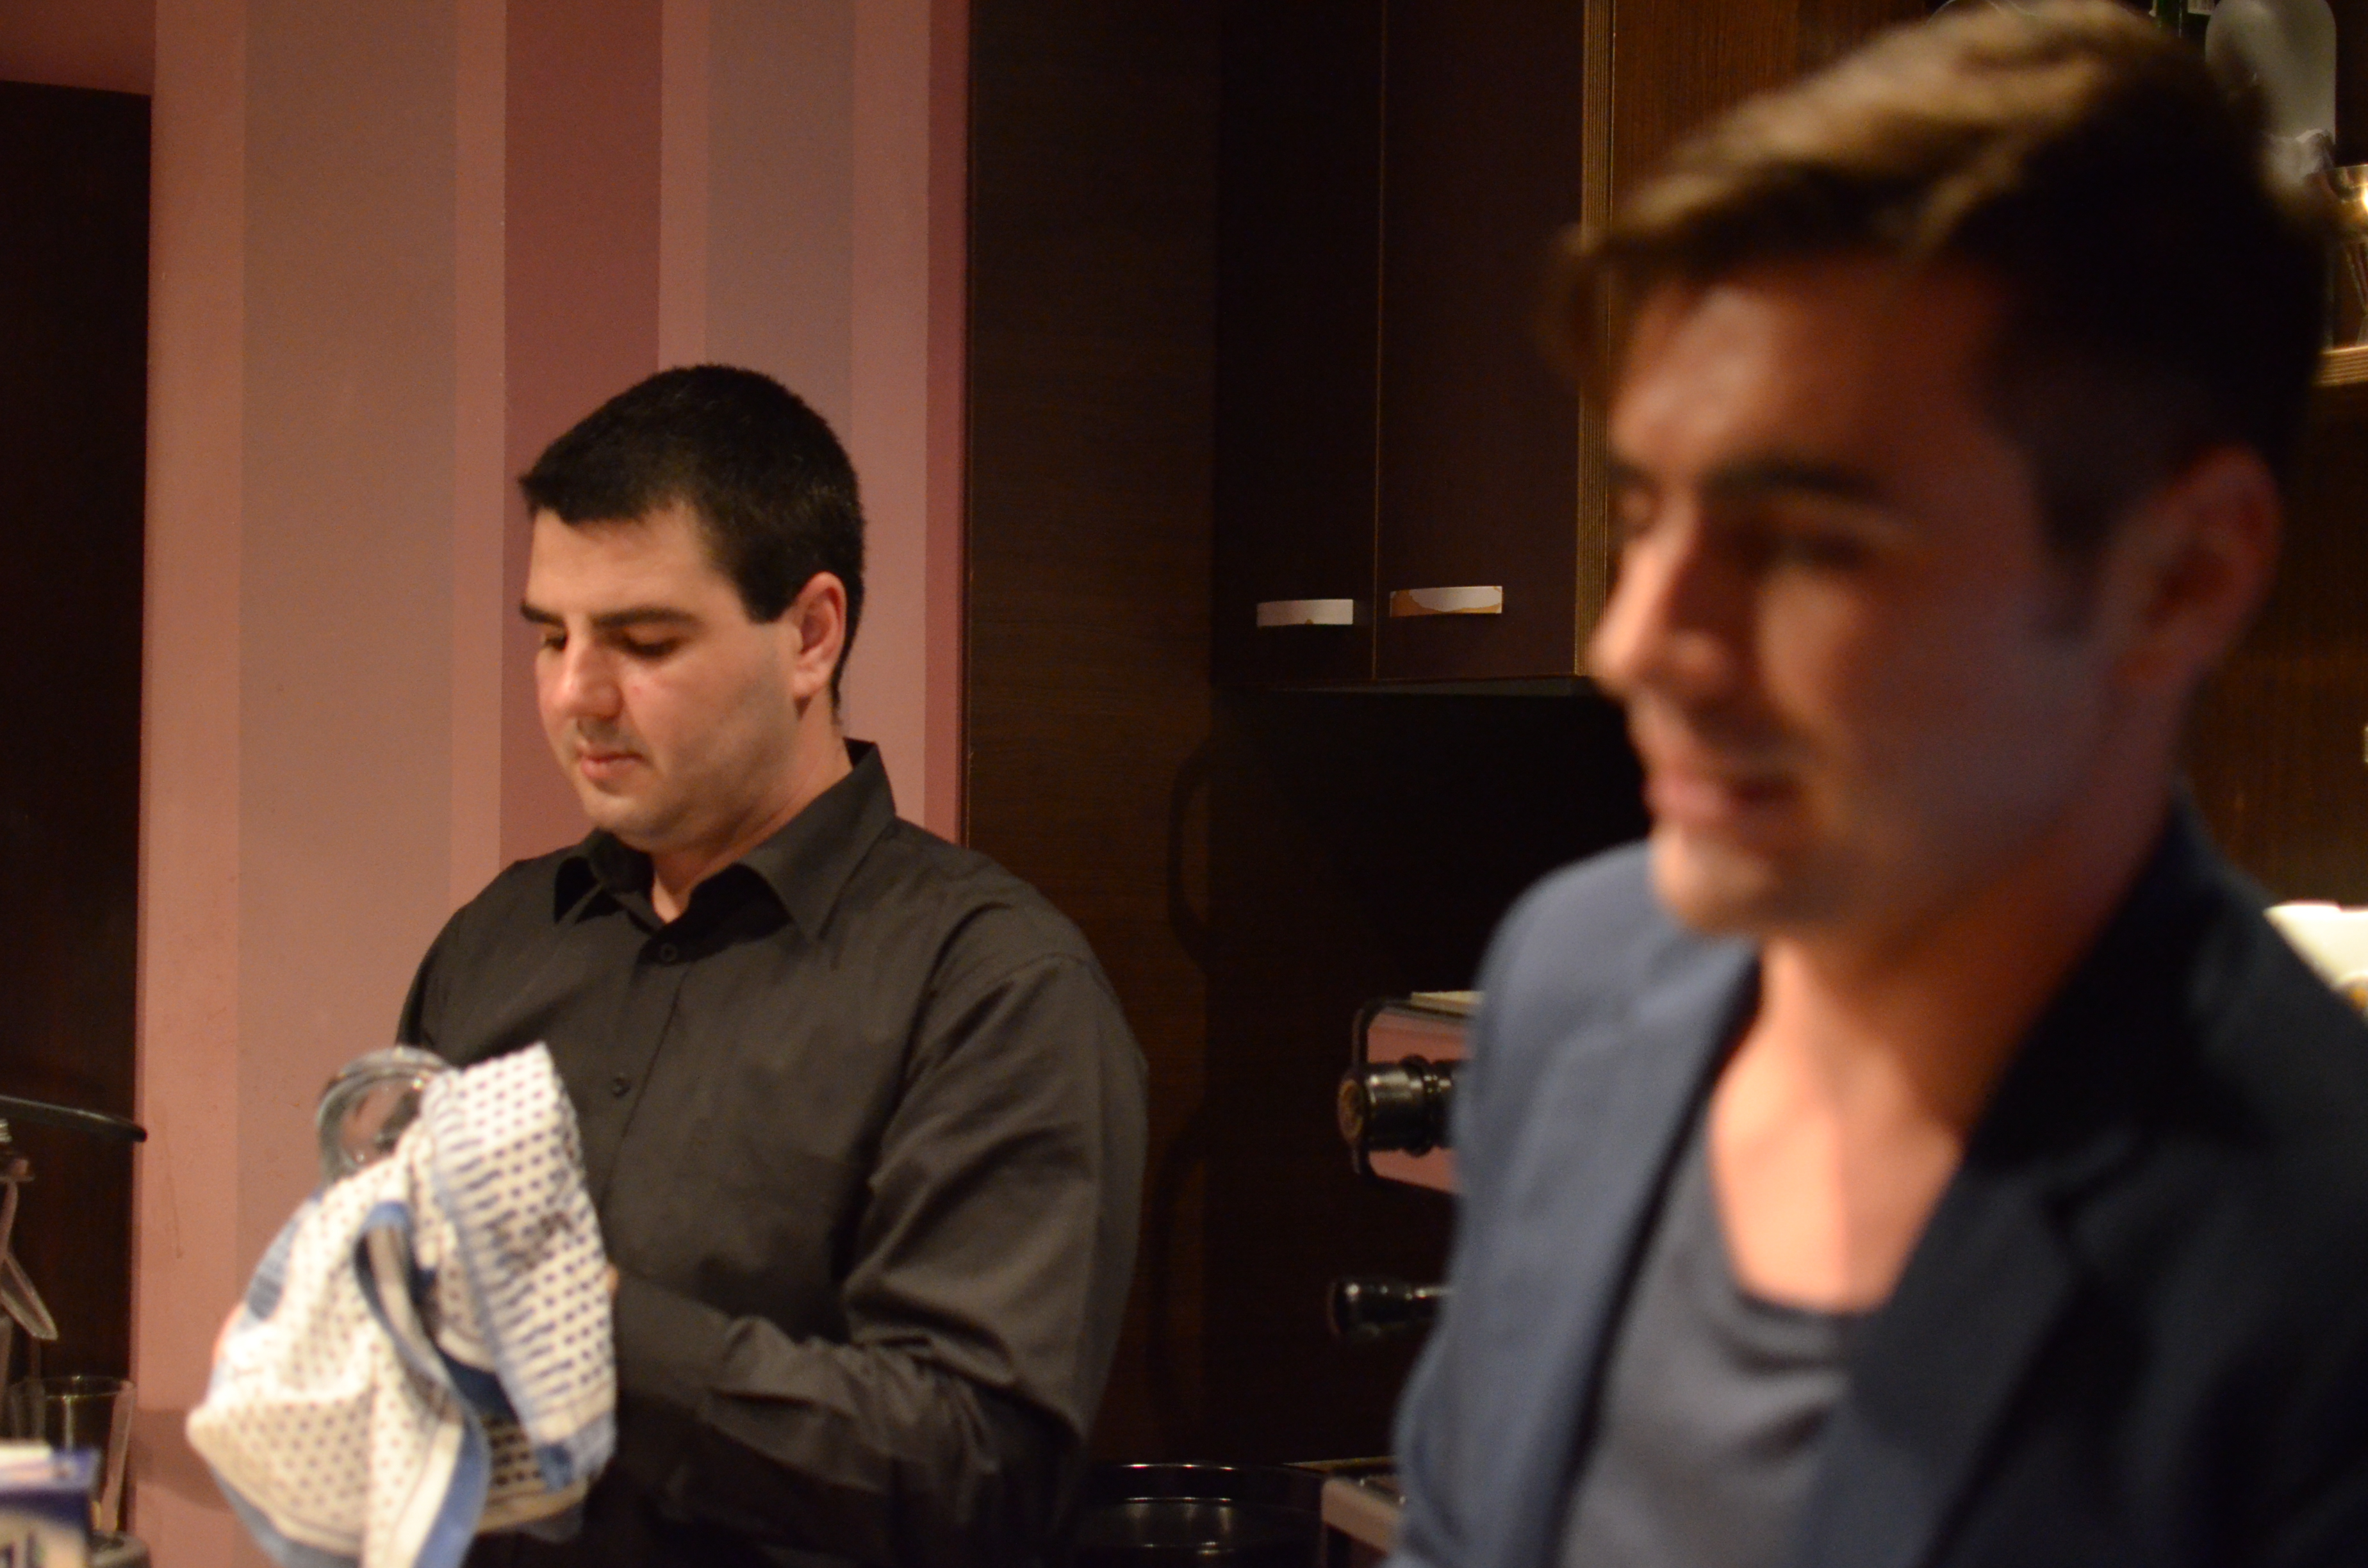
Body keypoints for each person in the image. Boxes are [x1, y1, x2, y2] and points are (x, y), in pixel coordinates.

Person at [1388, 6, 2368, 1565]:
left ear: (2185, 573)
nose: (1635, 646)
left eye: (1804, 545)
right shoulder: (1572, 984)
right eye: (1644, 516)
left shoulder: (2312, 1260)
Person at [398, 366, 1147, 1568]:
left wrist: (587, 1327)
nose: (576, 695)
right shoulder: (494, 943)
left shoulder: (995, 990)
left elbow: (974, 1473)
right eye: (551, 636)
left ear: (810, 635)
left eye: (643, 641)